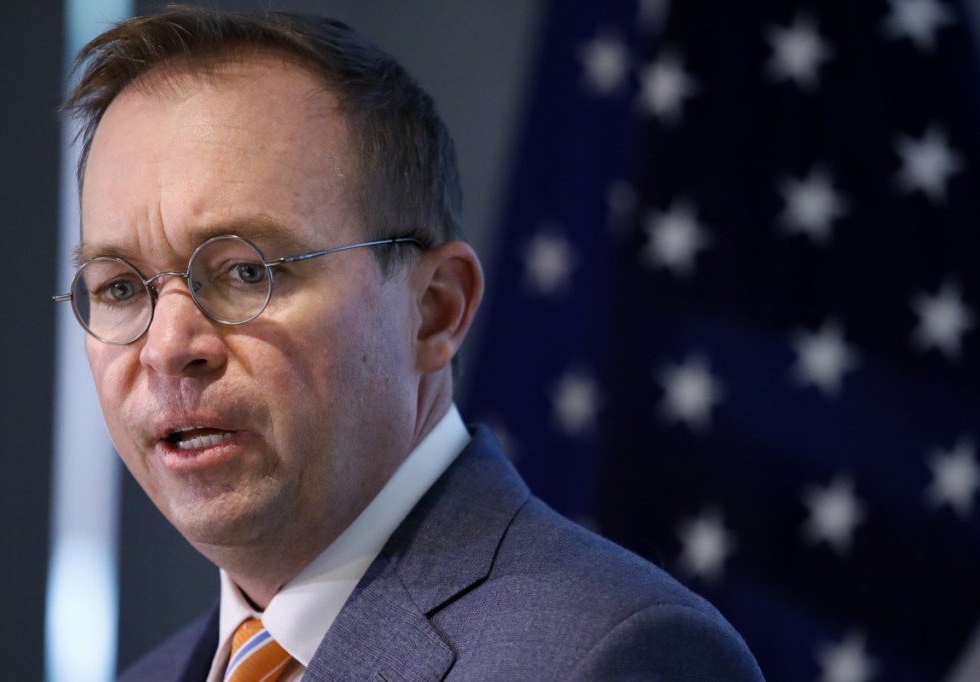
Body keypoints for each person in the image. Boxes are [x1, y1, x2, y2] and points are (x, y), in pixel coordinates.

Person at [56, 7, 765, 681]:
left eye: (247, 271)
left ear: (433, 310)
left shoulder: (608, 655)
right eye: (120, 288)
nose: (169, 346)